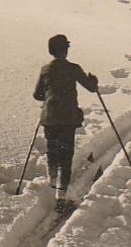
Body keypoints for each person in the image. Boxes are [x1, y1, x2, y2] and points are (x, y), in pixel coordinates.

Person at [33, 34, 99, 213]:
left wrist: (50, 95)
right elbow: (91, 88)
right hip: (67, 118)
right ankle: (61, 197)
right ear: (64, 50)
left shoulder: (45, 69)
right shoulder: (73, 69)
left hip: (50, 117)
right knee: (66, 156)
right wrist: (93, 81)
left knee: (52, 151)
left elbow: (37, 95)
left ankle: (52, 183)